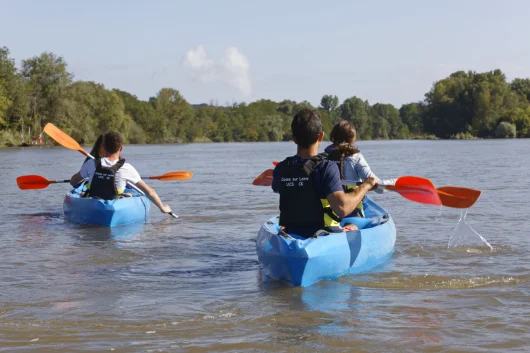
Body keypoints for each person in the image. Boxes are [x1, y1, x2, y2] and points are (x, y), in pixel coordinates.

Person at [272, 109, 377, 238]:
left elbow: (279, 187)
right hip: (323, 234)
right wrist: (366, 185)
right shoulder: (326, 167)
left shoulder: (281, 168)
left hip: (291, 233)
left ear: (294, 138)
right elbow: (342, 208)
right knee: (358, 224)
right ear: (320, 136)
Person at [70, 132, 172, 214]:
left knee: (84, 192)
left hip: (94, 202)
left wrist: (86, 175)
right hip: (115, 202)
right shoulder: (127, 168)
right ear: (121, 148)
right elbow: (150, 192)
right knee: (129, 194)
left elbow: (73, 182)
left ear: (103, 147)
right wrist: (162, 208)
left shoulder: (91, 163)